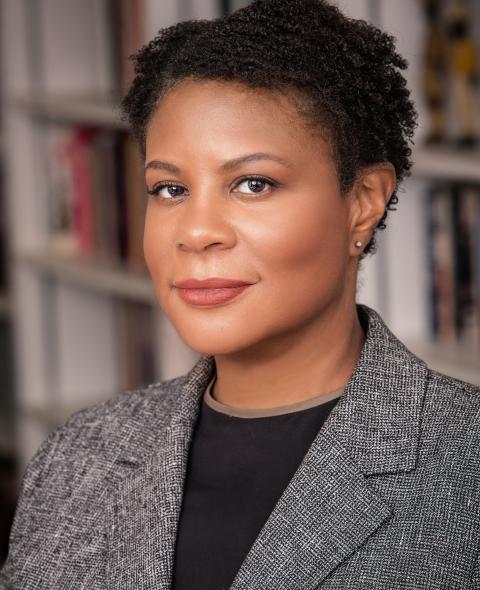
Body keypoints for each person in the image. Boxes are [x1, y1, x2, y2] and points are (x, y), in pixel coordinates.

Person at [2, 0, 480, 588]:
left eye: (253, 184)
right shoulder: (79, 454)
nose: (197, 231)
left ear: (363, 202)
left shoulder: (466, 465)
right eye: (170, 189)